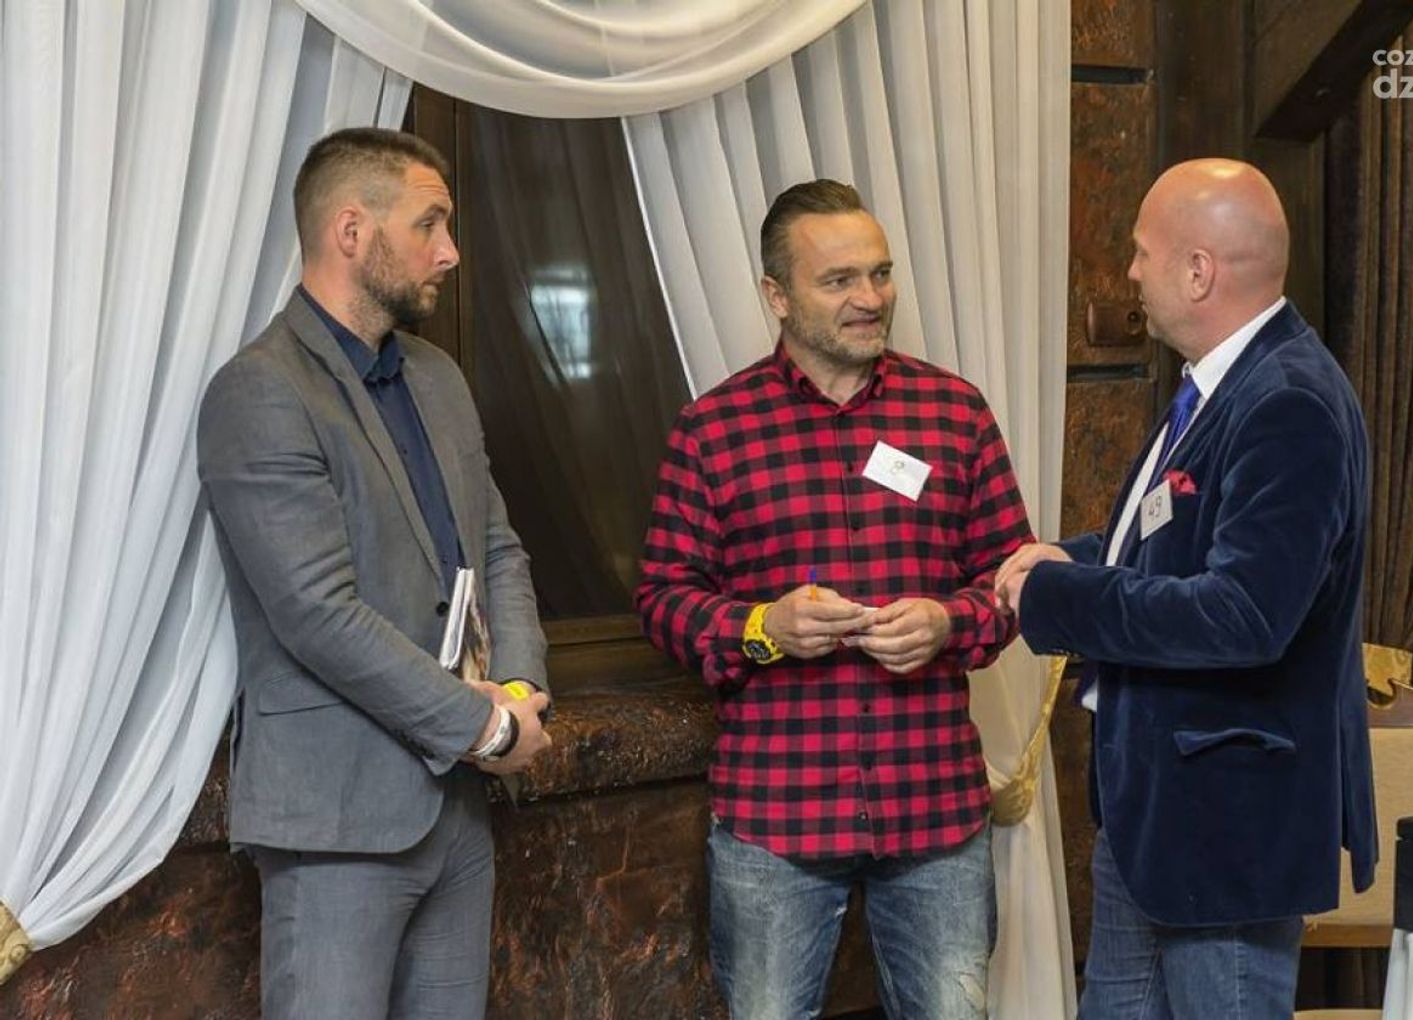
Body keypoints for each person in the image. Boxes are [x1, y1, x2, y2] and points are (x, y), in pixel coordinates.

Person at [636, 179, 1032, 1019]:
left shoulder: (955, 413)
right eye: (840, 280)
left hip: (934, 808)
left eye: (880, 274)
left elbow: (1012, 581)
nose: (871, 298)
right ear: (777, 295)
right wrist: (761, 626)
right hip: (777, 815)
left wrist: (948, 621)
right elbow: (663, 597)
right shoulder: (714, 429)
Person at [996, 158, 1377, 1018]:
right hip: (1158, 817)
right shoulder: (1222, 383)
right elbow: (1171, 544)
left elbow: (1243, 615)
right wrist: (1067, 557)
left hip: (1225, 831)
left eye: (1140, 252)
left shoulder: (1289, 402)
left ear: (1198, 271)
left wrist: (1059, 598)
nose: (1130, 273)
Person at [197, 128, 552, 1019]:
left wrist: (517, 688)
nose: (450, 251)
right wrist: (484, 728)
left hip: (461, 811)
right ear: (351, 232)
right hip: (338, 820)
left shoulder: (438, 377)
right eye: (430, 223)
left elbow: (497, 548)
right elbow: (318, 614)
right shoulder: (260, 389)